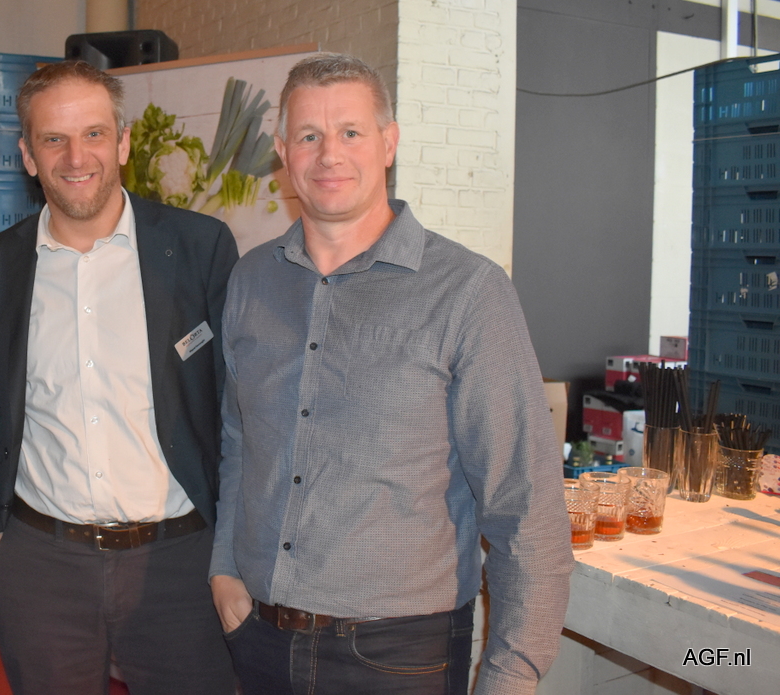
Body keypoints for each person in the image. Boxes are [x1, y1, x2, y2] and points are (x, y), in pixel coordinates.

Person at [210, 53, 573, 695]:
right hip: (260, 640)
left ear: (389, 142)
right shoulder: (252, 279)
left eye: (350, 132)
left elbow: (526, 505)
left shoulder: (467, 292)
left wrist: (511, 676)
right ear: (283, 152)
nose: (330, 154)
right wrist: (223, 570)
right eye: (309, 135)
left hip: (400, 657)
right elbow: (240, 441)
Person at [0, 59, 239, 695]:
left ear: (122, 143)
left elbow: (235, 405)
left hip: (181, 562)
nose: (75, 156)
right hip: (42, 566)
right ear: (28, 155)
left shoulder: (199, 247)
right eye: (53, 139)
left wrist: (230, 550)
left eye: (93, 134)